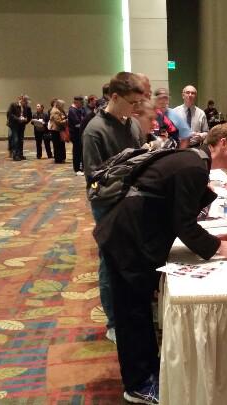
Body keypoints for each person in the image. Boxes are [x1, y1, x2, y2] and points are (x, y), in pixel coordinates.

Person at [94, 122, 227, 404]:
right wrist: (218, 246)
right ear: (222, 142)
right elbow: (184, 223)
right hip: (128, 240)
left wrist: (212, 238)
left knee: (138, 312)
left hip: (131, 236)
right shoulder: (193, 166)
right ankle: (137, 384)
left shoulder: (192, 161)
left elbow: (177, 213)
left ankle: (147, 372)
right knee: (132, 316)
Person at [83, 72, 146, 345]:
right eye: (132, 103)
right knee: (111, 264)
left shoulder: (131, 125)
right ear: (115, 97)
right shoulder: (94, 130)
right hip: (107, 205)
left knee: (134, 260)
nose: (136, 109)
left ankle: (133, 312)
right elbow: (94, 181)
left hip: (132, 202)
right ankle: (113, 322)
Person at [7, 95, 32, 161]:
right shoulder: (13, 105)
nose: (27, 104)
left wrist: (25, 121)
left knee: (21, 140)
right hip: (14, 125)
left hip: (22, 125)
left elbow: (29, 116)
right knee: (15, 139)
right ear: (22, 100)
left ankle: (20, 155)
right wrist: (18, 119)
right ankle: (15, 155)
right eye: (26, 102)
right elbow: (10, 114)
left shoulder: (27, 107)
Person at [68, 96, 86, 175]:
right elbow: (77, 122)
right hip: (75, 134)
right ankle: (77, 169)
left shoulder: (78, 109)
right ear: (76, 102)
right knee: (76, 152)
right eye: (81, 103)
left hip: (79, 133)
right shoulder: (72, 110)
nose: (82, 105)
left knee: (80, 151)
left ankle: (80, 168)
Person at [49, 99, 68, 163]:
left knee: (60, 144)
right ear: (59, 105)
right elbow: (58, 121)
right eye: (62, 105)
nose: (63, 107)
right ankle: (58, 159)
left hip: (58, 129)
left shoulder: (58, 110)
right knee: (57, 145)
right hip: (56, 130)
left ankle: (61, 158)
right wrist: (66, 121)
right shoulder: (55, 111)